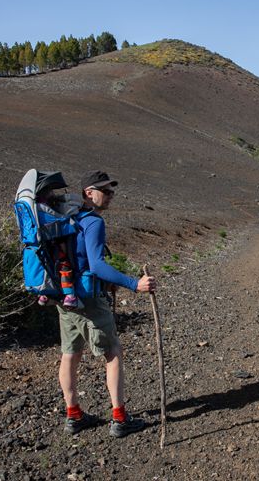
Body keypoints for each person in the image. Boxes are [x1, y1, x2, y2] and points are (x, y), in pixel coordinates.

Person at [58, 170, 156, 438]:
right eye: (105, 190)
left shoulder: (67, 219)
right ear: (88, 193)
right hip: (89, 300)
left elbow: (78, 261)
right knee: (112, 353)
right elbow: (97, 265)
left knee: (70, 353)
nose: (111, 195)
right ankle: (120, 418)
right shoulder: (93, 223)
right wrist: (134, 284)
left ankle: (74, 415)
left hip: (66, 297)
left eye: (112, 191)